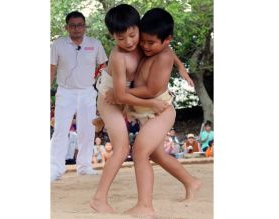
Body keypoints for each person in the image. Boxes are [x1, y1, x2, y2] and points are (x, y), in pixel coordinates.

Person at [90, 4, 200, 214]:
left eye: (133, 35)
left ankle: (190, 182)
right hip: (111, 96)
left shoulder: (143, 43)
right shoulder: (119, 56)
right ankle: (99, 199)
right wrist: (151, 103)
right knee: (122, 148)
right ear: (113, 36)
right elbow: (120, 95)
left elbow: (167, 48)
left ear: (138, 29)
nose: (129, 42)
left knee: (156, 153)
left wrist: (181, 67)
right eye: (121, 38)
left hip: (128, 98)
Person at [123, 8, 201, 217]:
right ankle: (191, 182)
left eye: (151, 43)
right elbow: (172, 52)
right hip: (145, 112)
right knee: (156, 154)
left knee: (139, 151)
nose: (145, 47)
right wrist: (182, 69)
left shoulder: (162, 56)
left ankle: (145, 206)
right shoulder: (150, 47)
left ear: (167, 40)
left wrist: (122, 93)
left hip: (161, 111)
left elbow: (152, 90)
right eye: (143, 41)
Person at [50, 11, 108, 182]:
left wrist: (99, 82)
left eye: (80, 25)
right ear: (66, 27)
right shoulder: (58, 44)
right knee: (60, 130)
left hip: (87, 91)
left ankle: (84, 166)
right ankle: (55, 168)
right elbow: (51, 68)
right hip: (65, 91)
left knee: (87, 129)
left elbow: (103, 65)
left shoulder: (95, 44)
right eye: (73, 25)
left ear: (85, 26)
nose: (77, 29)